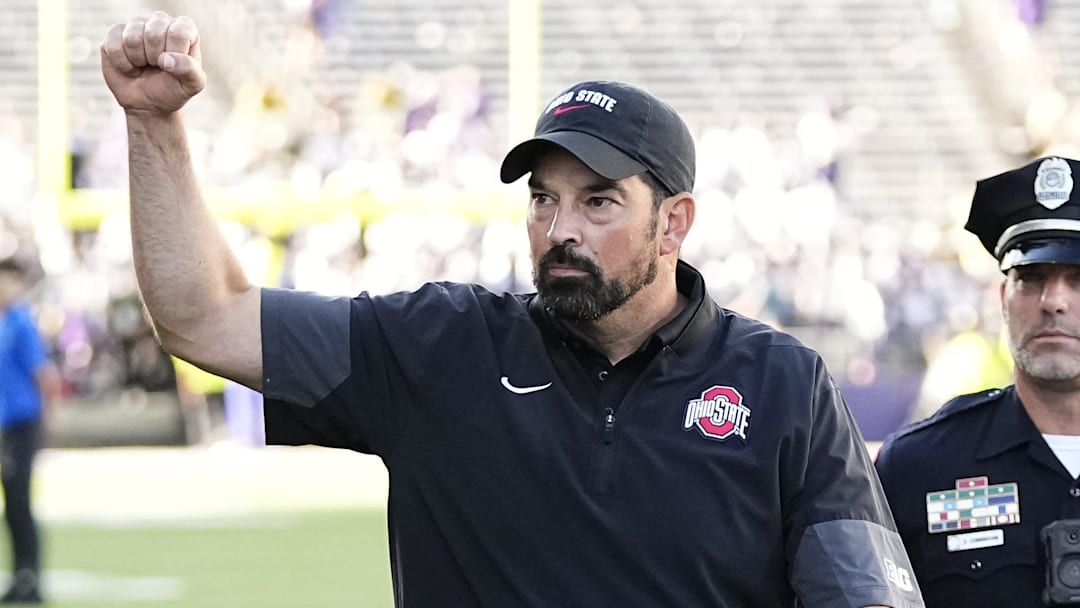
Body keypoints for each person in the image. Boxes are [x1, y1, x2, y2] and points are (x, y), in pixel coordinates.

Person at [100, 12, 924, 607]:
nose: (559, 231)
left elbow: (864, 596)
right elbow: (202, 316)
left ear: (674, 223)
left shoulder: (784, 384)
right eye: (542, 200)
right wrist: (153, 122)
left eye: (599, 202)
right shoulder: (438, 346)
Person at [875, 155, 1080, 606]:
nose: (1053, 301)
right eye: (1031, 278)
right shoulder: (918, 467)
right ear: (1004, 298)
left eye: (1078, 279)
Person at [0, 258, 59, 604]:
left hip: (23, 423)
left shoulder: (20, 322)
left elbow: (44, 375)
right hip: (7, 424)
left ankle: (31, 577)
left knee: (21, 502)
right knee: (12, 503)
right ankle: (19, 575)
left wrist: (47, 423)